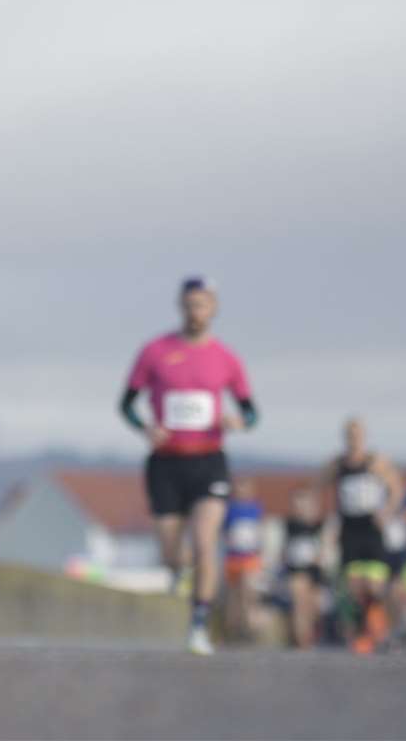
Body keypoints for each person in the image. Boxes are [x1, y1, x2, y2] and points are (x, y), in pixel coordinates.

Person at [118, 276, 260, 655]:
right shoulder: (155, 351)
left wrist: (239, 422)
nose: (196, 311)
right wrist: (146, 428)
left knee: (204, 541)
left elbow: (251, 412)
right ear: (181, 306)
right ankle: (175, 570)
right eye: (190, 304)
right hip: (165, 463)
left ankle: (199, 624)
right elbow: (126, 405)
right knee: (170, 550)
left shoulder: (226, 359)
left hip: (209, 461)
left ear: (213, 308)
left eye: (203, 304)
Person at [315, 418, 404, 654]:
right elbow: (317, 486)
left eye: (357, 435)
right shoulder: (337, 464)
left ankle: (381, 630)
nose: (353, 439)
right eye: (349, 435)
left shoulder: (376, 462)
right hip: (349, 527)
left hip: (371, 527)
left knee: (374, 586)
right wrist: (326, 520)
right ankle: (364, 633)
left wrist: (386, 511)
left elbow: (397, 489)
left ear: (364, 437)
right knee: (354, 588)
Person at [281, 485, 327, 649]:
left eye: (305, 503)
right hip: (296, 567)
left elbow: (325, 545)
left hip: (314, 569)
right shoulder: (290, 524)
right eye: (297, 503)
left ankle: (310, 635)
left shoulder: (320, 524)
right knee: (299, 603)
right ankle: (301, 641)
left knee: (312, 606)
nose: (301, 507)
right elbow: (284, 547)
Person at [222, 477, 264, 642]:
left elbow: (259, 531)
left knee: (248, 592)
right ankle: (232, 628)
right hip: (233, 557)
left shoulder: (256, 509)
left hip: (250, 558)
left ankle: (249, 627)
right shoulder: (229, 509)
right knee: (233, 595)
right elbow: (224, 532)